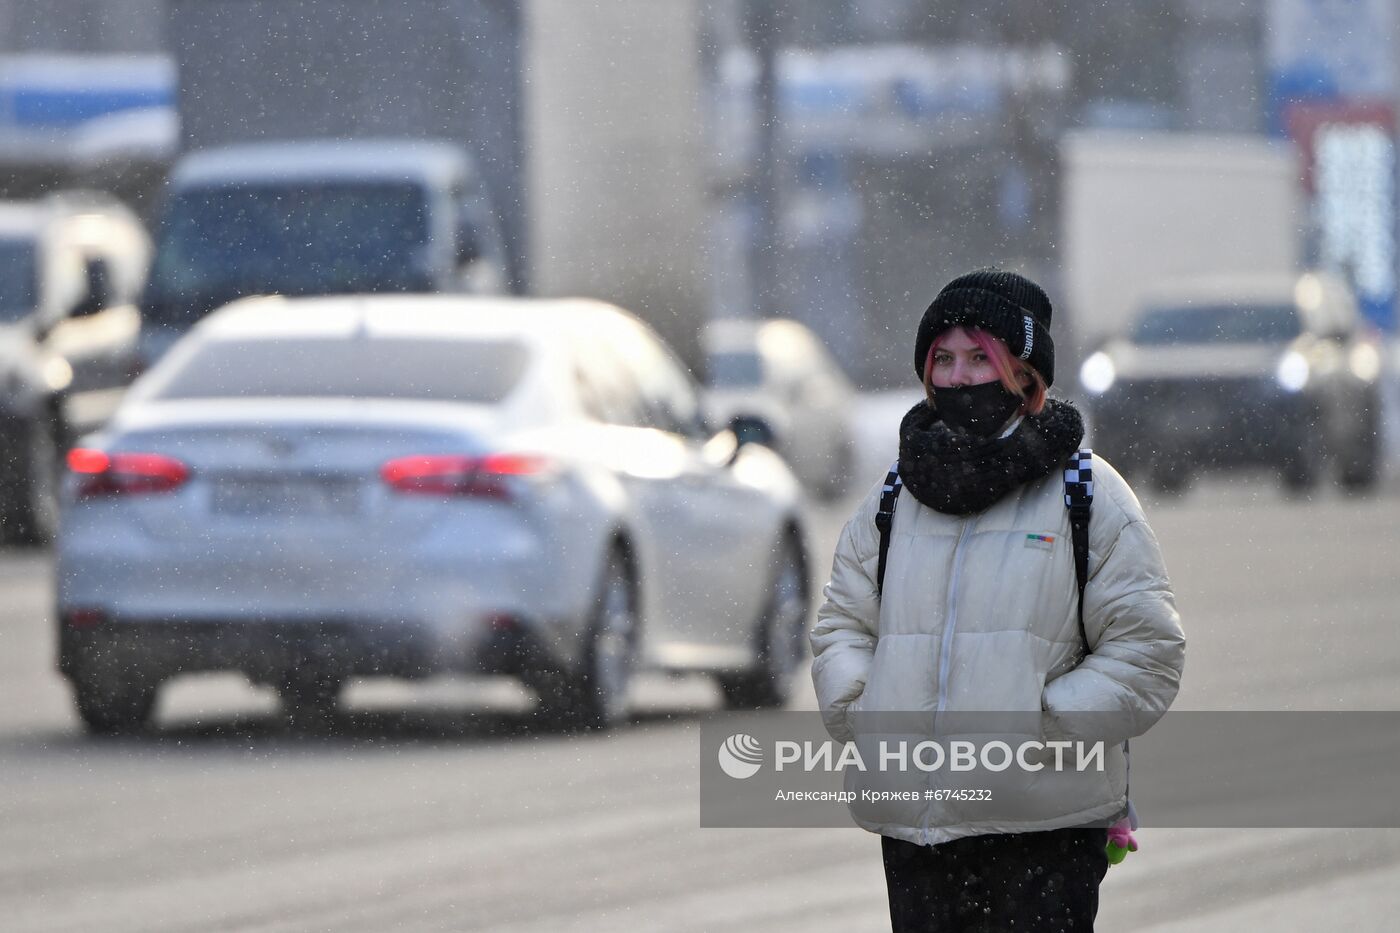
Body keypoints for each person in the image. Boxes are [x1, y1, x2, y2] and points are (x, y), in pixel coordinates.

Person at [810, 268, 1185, 932]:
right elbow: (843, 623)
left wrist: (1035, 726)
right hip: (916, 832)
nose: (958, 377)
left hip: (1043, 828)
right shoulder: (896, 497)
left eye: (980, 357)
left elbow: (1146, 653)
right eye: (943, 359)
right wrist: (869, 711)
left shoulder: (1087, 494)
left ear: (1024, 371)